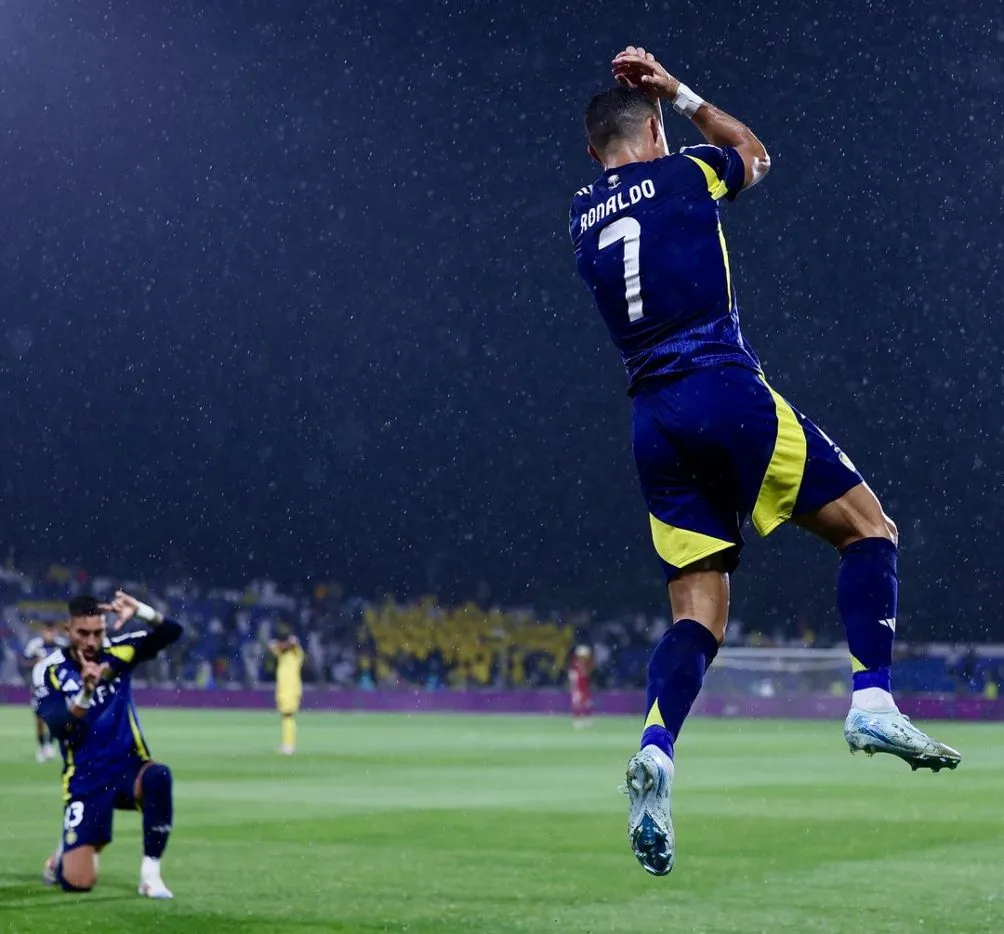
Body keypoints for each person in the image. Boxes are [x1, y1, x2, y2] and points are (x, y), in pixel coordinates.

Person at [568, 46, 961, 877]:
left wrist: (650, 126)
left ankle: (657, 748)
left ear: (592, 151)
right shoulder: (686, 175)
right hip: (720, 386)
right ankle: (871, 699)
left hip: (652, 421)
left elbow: (632, 195)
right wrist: (679, 92)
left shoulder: (580, 218)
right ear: (652, 135)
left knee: (698, 617)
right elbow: (755, 152)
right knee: (870, 531)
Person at [31, 591, 182, 897]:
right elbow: (62, 729)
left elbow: (172, 632)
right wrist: (86, 693)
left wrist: (141, 611)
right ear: (68, 630)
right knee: (77, 883)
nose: (91, 641)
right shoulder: (48, 670)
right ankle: (63, 855)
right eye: (83, 633)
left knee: (158, 776)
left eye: (98, 632)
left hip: (127, 767)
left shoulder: (120, 651)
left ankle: (150, 875)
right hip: (85, 777)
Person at [21, 621, 68, 762]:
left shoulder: (62, 645)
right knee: (39, 719)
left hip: (56, 686)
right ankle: (42, 746)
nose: (49, 634)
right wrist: (36, 661)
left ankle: (49, 746)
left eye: (52, 631)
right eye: (47, 631)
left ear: (55, 631)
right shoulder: (34, 645)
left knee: (55, 717)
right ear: (42, 631)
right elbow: (24, 662)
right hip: (39, 685)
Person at [268, 624, 304, 755]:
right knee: (286, 716)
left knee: (288, 715)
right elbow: (272, 646)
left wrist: (287, 643)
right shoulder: (282, 654)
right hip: (283, 689)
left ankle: (289, 745)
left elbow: (292, 644)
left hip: (291, 689)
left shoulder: (296, 653)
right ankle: (287, 744)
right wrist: (283, 644)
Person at [569, 645, 593, 728]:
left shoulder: (586, 664)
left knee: (586, 703)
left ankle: (587, 719)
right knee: (577, 704)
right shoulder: (575, 663)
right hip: (578, 687)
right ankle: (577, 720)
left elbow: (586, 676)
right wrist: (573, 686)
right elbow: (573, 676)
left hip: (584, 687)